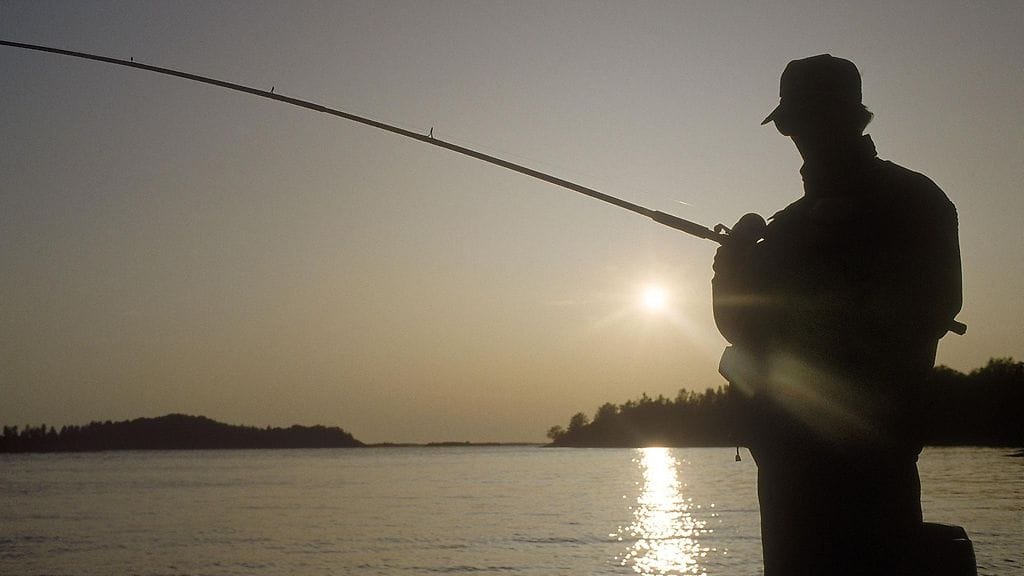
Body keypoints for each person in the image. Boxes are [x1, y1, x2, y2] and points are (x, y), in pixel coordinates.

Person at [713, 54, 962, 575]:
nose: (798, 137)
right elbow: (739, 329)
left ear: (851, 118)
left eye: (801, 121)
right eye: (790, 125)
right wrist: (737, 265)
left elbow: (931, 307)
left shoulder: (907, 202)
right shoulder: (794, 226)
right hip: (805, 462)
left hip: (850, 462)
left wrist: (746, 265)